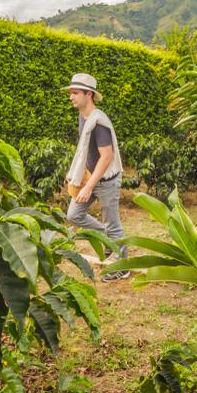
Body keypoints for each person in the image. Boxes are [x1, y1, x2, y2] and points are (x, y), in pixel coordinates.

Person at [62, 73, 129, 282]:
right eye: (71, 93)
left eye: (75, 93)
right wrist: (77, 175)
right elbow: (85, 151)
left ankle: (123, 267)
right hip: (90, 178)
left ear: (88, 94)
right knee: (74, 214)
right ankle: (108, 239)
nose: (71, 97)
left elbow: (106, 156)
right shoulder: (83, 117)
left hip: (106, 181)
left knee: (113, 224)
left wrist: (88, 187)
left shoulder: (99, 122)